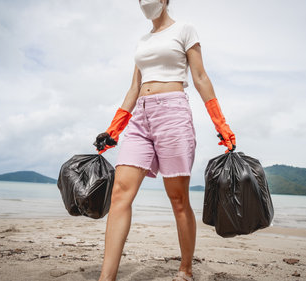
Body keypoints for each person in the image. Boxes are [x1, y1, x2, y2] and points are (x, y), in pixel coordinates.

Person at [93, 0, 236, 280]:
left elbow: (200, 76)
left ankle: (185, 269)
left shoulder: (185, 29)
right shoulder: (142, 41)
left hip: (172, 113)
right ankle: (106, 277)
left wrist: (220, 122)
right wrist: (114, 130)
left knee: (178, 199)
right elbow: (134, 87)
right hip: (140, 118)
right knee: (120, 193)